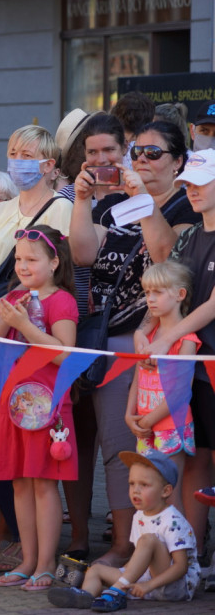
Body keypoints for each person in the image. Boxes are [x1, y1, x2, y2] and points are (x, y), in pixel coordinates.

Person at [68, 119, 196, 566]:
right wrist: (82, 201)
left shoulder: (187, 205)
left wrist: (142, 198)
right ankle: (126, 543)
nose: (141, 160)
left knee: (149, 448)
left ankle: (158, 551)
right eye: (137, 152)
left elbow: (164, 254)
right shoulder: (116, 203)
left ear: (179, 161)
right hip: (109, 338)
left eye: (153, 154)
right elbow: (83, 253)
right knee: (116, 445)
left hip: (153, 343)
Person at [0, 225, 78, 592]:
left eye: (32, 259)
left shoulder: (62, 301)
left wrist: (24, 324)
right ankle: (27, 559)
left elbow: (64, 354)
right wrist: (6, 315)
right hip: (15, 404)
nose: (23, 266)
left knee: (43, 485)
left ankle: (45, 563)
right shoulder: (16, 295)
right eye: (19, 259)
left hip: (47, 405)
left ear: (54, 262)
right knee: (19, 484)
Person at [135, 148, 215, 549]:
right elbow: (166, 286)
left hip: (207, 360)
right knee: (198, 457)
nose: (191, 191)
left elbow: (213, 303)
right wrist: (146, 328)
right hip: (190, 366)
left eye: (200, 183)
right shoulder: (188, 236)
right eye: (188, 184)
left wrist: (165, 338)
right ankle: (194, 554)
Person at [48, 451, 200, 610]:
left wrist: (148, 585)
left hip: (174, 587)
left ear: (166, 491)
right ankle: (86, 596)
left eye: (144, 485)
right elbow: (139, 557)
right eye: (132, 483)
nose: (136, 490)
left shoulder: (173, 521)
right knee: (96, 569)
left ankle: (116, 592)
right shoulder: (139, 515)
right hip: (146, 580)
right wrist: (125, 574)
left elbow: (181, 567)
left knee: (148, 539)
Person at [125, 261, 196, 504]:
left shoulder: (186, 339)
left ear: (180, 294)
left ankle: (174, 544)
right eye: (146, 293)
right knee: (145, 497)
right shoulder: (148, 337)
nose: (150, 299)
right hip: (144, 423)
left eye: (158, 292)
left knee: (168, 499)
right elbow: (138, 376)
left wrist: (148, 420)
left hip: (171, 425)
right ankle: (149, 542)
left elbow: (180, 393)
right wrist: (128, 413)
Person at [0, 125, 71, 292]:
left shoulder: (61, 207)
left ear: (48, 165)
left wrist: (0, 306)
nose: (17, 160)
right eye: (13, 154)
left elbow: (53, 272)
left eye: (27, 155)